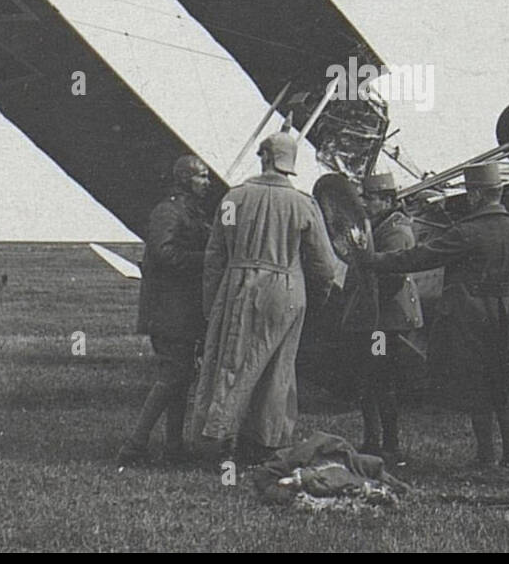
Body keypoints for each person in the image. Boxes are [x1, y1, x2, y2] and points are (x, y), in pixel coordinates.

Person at [363, 161, 509, 467]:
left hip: (472, 316)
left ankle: (486, 454)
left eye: (469, 193)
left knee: (478, 383)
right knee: (506, 379)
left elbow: (419, 257)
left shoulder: (467, 232)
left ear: (477, 195)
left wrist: (373, 261)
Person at [191, 132, 336, 464]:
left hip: (238, 284)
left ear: (265, 157)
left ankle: (222, 436)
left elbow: (215, 255)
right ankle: (267, 442)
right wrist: (316, 296)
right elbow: (324, 264)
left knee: (230, 361)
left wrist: (212, 301)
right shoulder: (303, 204)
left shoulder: (234, 198)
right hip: (286, 291)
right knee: (277, 367)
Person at [116, 154, 213, 467]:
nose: (207, 183)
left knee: (181, 377)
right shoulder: (168, 212)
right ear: (185, 179)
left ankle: (173, 446)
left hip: (180, 308)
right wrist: (207, 259)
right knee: (173, 375)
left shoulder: (188, 212)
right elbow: (163, 253)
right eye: (201, 177)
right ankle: (135, 445)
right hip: (169, 308)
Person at [340, 172, 422, 463]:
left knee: (380, 379)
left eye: (370, 198)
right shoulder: (381, 225)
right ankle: (376, 440)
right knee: (371, 378)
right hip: (379, 318)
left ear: (387, 200)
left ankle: (388, 444)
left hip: (385, 321)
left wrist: (368, 309)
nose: (365, 204)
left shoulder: (397, 231)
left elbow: (394, 276)